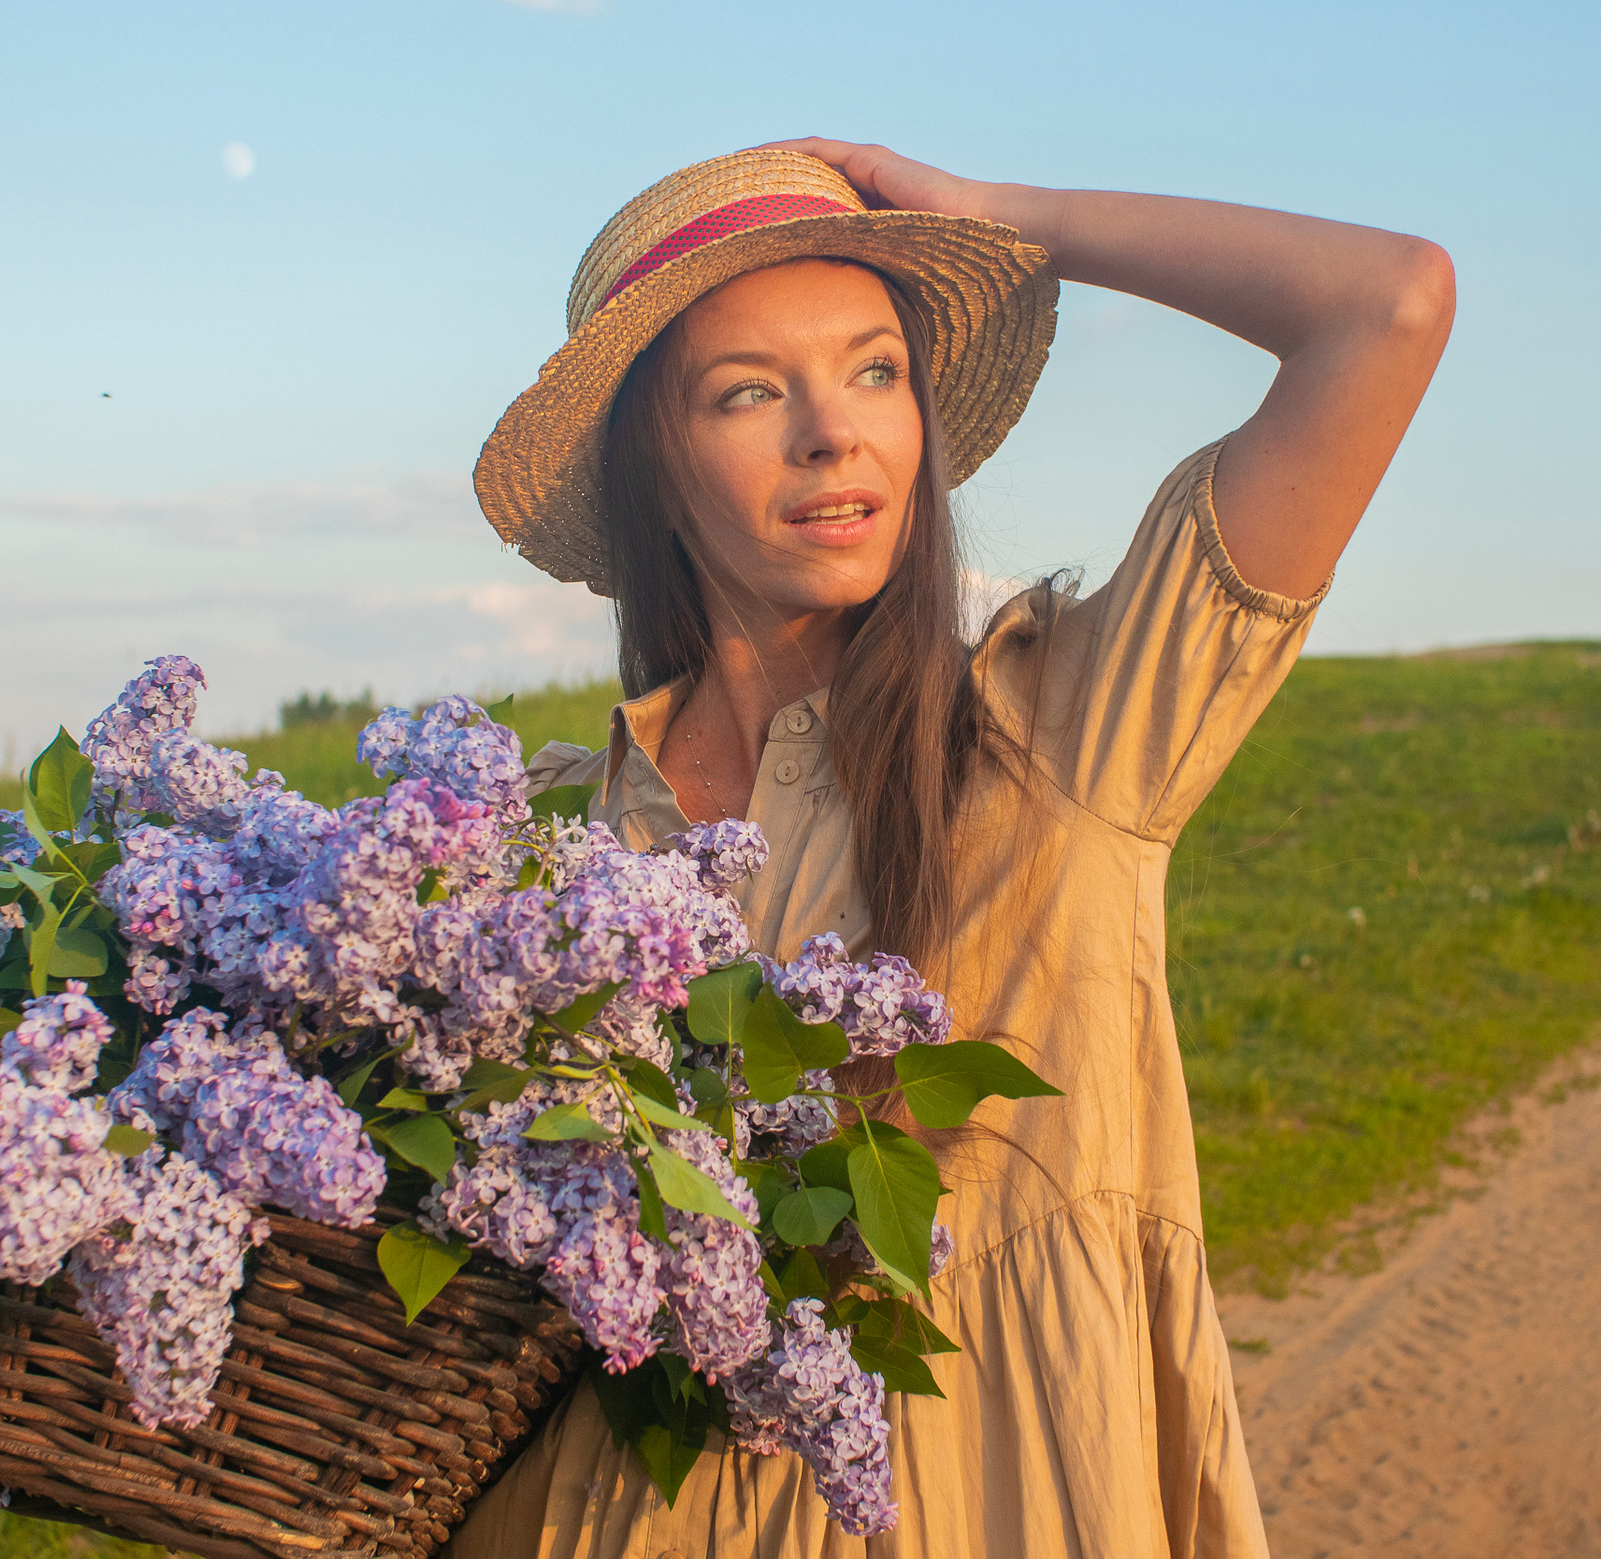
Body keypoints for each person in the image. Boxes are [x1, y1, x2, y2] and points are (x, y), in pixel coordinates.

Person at [454, 141, 1454, 1558]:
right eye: (750, 392)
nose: (832, 433)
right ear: (657, 472)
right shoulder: (555, 841)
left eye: (875, 370)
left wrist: (1002, 221)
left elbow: (1389, 307)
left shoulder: (1067, 731)